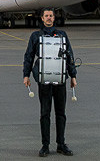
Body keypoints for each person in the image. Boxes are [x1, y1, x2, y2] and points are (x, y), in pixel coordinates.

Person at [23, 8, 78, 157]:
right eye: (46, 16)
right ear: (42, 18)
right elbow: (28, 56)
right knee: (45, 113)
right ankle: (45, 145)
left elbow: (70, 55)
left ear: (54, 18)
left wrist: (73, 75)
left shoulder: (62, 35)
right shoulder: (36, 36)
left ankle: (61, 144)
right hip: (44, 81)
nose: (49, 18)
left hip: (60, 80)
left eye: (51, 16)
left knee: (61, 114)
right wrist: (26, 75)